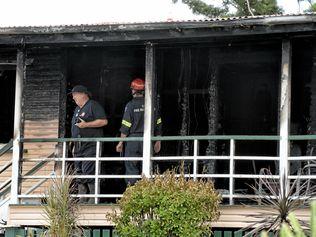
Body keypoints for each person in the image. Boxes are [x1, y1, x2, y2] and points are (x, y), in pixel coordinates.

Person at [116, 78, 162, 185]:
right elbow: (158, 123)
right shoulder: (152, 105)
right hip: (149, 139)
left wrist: (120, 142)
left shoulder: (130, 106)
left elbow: (126, 126)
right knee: (147, 166)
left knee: (131, 167)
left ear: (133, 90)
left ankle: (132, 192)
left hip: (133, 141)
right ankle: (147, 191)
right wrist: (158, 141)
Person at [69, 85, 108, 203]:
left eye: (75, 95)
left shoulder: (93, 105)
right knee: (78, 170)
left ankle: (92, 197)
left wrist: (86, 125)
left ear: (83, 94)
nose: (73, 98)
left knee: (89, 169)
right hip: (78, 145)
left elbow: (104, 121)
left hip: (91, 144)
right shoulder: (77, 110)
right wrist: (72, 141)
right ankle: (82, 197)